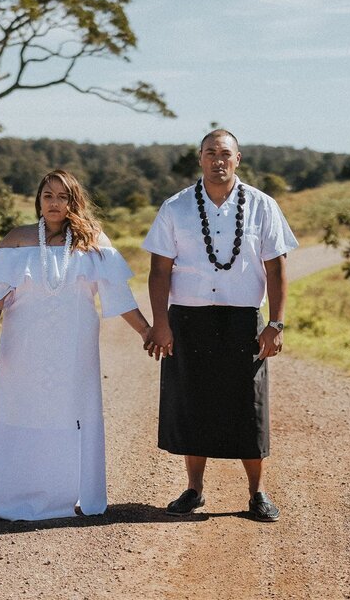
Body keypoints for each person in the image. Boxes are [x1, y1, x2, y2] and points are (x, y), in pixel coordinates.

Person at [0, 169, 152, 521]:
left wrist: (147, 331)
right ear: (38, 201)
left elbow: (118, 295)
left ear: (74, 201)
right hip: (23, 347)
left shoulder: (92, 241)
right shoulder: (17, 240)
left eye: (62, 197)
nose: (54, 203)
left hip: (74, 349)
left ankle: (66, 494)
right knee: (23, 410)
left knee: (69, 413)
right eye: (47, 196)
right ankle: (15, 494)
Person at [142, 129, 298, 522]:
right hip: (189, 319)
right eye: (210, 153)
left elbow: (276, 268)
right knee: (193, 403)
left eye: (225, 153)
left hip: (243, 320)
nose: (218, 160)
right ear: (200, 159)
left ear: (238, 159)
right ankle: (194, 490)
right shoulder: (175, 208)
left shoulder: (262, 206)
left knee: (249, 406)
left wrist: (275, 323)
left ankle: (257, 493)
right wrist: (161, 323)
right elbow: (159, 271)